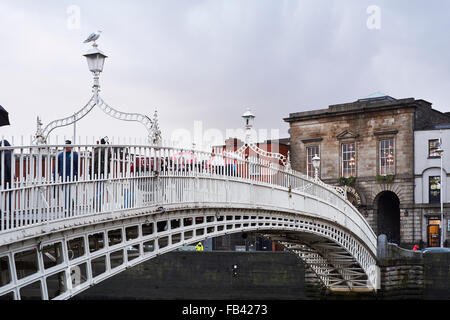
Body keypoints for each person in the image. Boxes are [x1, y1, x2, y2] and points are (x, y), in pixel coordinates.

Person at [57, 140, 79, 214]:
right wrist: (57, 175)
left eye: (68, 146)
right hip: (63, 176)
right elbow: (57, 167)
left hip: (71, 176)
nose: (67, 147)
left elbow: (77, 165)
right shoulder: (60, 155)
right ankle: (71, 203)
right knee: (66, 192)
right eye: (65, 146)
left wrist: (76, 174)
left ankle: (67, 208)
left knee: (68, 191)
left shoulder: (75, 154)